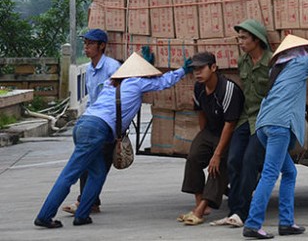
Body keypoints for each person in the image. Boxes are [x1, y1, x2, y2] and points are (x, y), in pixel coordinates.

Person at [34, 52, 192, 228]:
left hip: (84, 126)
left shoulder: (112, 83)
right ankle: (45, 215)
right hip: (96, 130)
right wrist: (183, 70)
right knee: (70, 174)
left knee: (98, 172)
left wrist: (145, 64)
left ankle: (82, 215)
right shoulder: (136, 82)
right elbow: (164, 82)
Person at [243, 35, 308, 239]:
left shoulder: (277, 68)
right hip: (279, 126)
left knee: (290, 172)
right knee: (269, 174)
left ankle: (286, 222)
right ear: (299, 50)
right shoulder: (300, 62)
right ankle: (252, 223)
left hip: (264, 126)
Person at [212, 20, 272, 227]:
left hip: (263, 120)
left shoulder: (272, 63)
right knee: (233, 160)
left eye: (244, 38)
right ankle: (234, 210)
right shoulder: (243, 61)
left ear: (257, 40)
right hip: (246, 118)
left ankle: (243, 212)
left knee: (249, 162)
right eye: (239, 38)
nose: (241, 42)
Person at [177, 52, 244, 226]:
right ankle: (199, 203)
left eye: (201, 68)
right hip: (211, 130)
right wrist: (203, 138)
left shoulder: (227, 89)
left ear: (213, 68)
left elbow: (230, 123)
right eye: (194, 70)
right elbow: (200, 113)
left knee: (217, 166)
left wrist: (216, 153)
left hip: (230, 132)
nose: (197, 73)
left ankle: (200, 210)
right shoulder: (198, 87)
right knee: (193, 157)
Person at [62, 29, 121, 215]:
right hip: (94, 122)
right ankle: (89, 202)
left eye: (90, 43)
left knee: (95, 165)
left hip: (108, 124)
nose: (86, 47)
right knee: (91, 165)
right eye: (85, 43)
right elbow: (92, 98)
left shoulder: (113, 68)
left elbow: (121, 98)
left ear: (102, 46)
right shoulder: (90, 69)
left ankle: (86, 202)